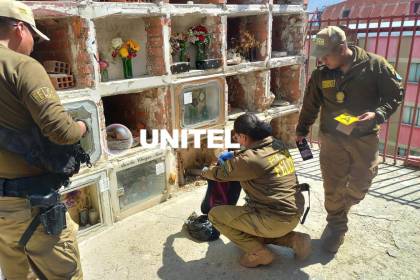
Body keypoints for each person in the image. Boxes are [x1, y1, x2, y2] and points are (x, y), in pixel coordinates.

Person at [296, 26, 403, 253]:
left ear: (342, 47)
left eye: (326, 55)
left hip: (364, 137)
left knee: (361, 182)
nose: (322, 59)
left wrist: (379, 113)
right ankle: (336, 226)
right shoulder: (321, 74)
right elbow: (310, 103)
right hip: (332, 138)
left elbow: (395, 93)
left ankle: (343, 208)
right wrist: (302, 129)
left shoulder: (375, 65)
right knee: (332, 185)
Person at [0, 0, 87, 279]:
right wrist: (83, 126)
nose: (33, 45)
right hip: (33, 206)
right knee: (64, 272)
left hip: (3, 209)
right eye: (34, 37)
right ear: (19, 28)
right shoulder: (21, 66)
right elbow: (62, 132)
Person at [201, 113, 311, 268]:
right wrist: (234, 155)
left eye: (237, 137)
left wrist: (204, 171)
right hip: (295, 211)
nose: (236, 140)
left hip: (274, 219)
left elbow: (219, 174)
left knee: (215, 215)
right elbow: (254, 156)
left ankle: (258, 253)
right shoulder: (277, 144)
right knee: (252, 227)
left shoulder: (248, 160)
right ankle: (295, 240)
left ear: (244, 137)